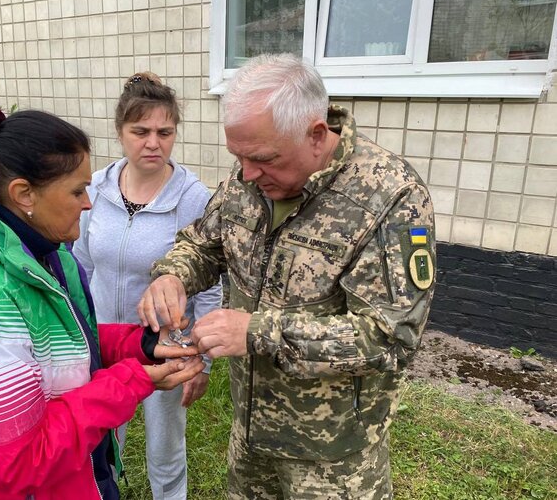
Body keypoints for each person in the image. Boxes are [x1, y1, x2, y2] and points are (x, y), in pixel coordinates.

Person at [137, 54, 436, 499]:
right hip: (251, 433)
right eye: (238, 157)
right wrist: (172, 276)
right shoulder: (251, 175)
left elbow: (389, 337)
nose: (247, 174)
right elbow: (204, 243)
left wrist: (258, 332)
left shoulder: (389, 196)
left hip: (332, 456)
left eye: (262, 159)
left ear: (316, 134)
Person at [0, 101, 206, 499]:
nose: (88, 203)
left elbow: (63, 340)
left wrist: (140, 345)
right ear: (24, 194)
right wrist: (129, 382)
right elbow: (19, 463)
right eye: (77, 191)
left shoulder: (45, 252)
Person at [74, 72, 222, 500]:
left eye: (165, 132)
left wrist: (202, 360)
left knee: (165, 446)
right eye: (141, 132)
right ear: (120, 132)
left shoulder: (193, 198)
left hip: (166, 345)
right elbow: (82, 264)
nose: (153, 143)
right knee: (101, 437)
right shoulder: (96, 189)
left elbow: (209, 286)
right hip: (104, 340)